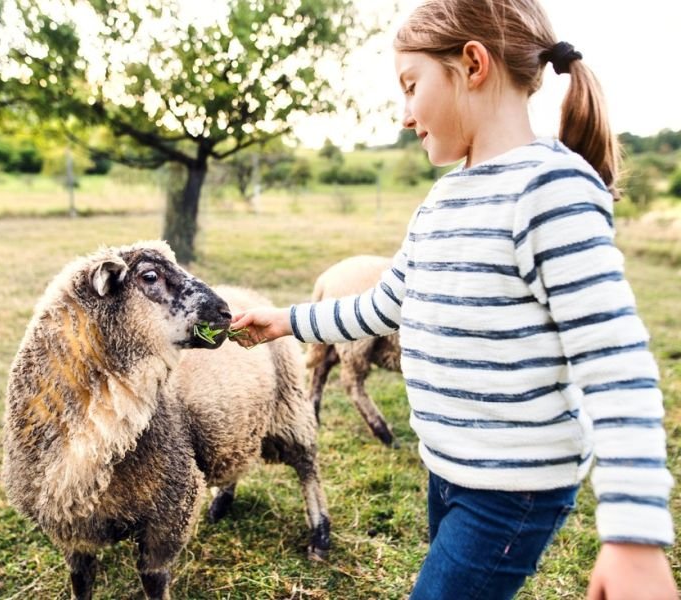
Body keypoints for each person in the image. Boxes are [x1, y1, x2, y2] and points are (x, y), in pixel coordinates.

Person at [229, 1, 677, 598]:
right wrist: (286, 321)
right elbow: (382, 305)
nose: (406, 114)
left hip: (513, 487)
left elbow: (616, 366)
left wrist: (634, 538)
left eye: (412, 86)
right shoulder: (442, 202)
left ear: (472, 64)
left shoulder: (550, 190)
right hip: (447, 470)